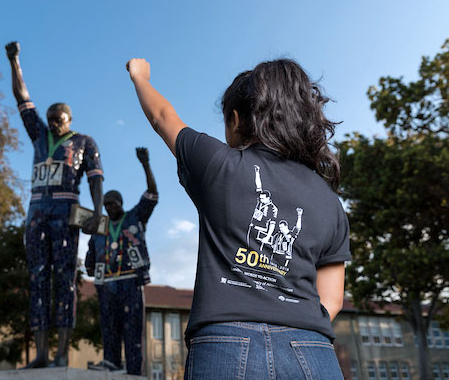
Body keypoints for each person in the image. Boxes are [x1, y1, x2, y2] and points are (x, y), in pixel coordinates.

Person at [126, 58, 350, 379]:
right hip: (311, 347)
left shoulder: (217, 163)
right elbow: (332, 298)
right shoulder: (330, 201)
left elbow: (162, 117)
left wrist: (140, 77)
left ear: (235, 120)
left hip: (225, 342)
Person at [5, 41, 104, 368]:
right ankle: (42, 353)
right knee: (37, 278)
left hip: (65, 213)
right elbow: (22, 97)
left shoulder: (84, 142)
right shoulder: (38, 135)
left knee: (64, 279)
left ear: (70, 118)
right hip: (36, 213)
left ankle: (62, 354)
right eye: (50, 119)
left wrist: (98, 212)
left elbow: (95, 179)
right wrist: (14, 60)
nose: (53, 123)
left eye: (59, 119)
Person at [85, 147, 158, 375]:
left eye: (113, 204)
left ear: (121, 203)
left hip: (130, 280)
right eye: (106, 206)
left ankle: (135, 368)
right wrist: (89, 265)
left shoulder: (135, 216)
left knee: (132, 326)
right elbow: (91, 249)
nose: (109, 208)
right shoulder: (101, 225)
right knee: (109, 325)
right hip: (106, 283)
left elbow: (152, 194)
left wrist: (145, 164)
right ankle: (111, 361)